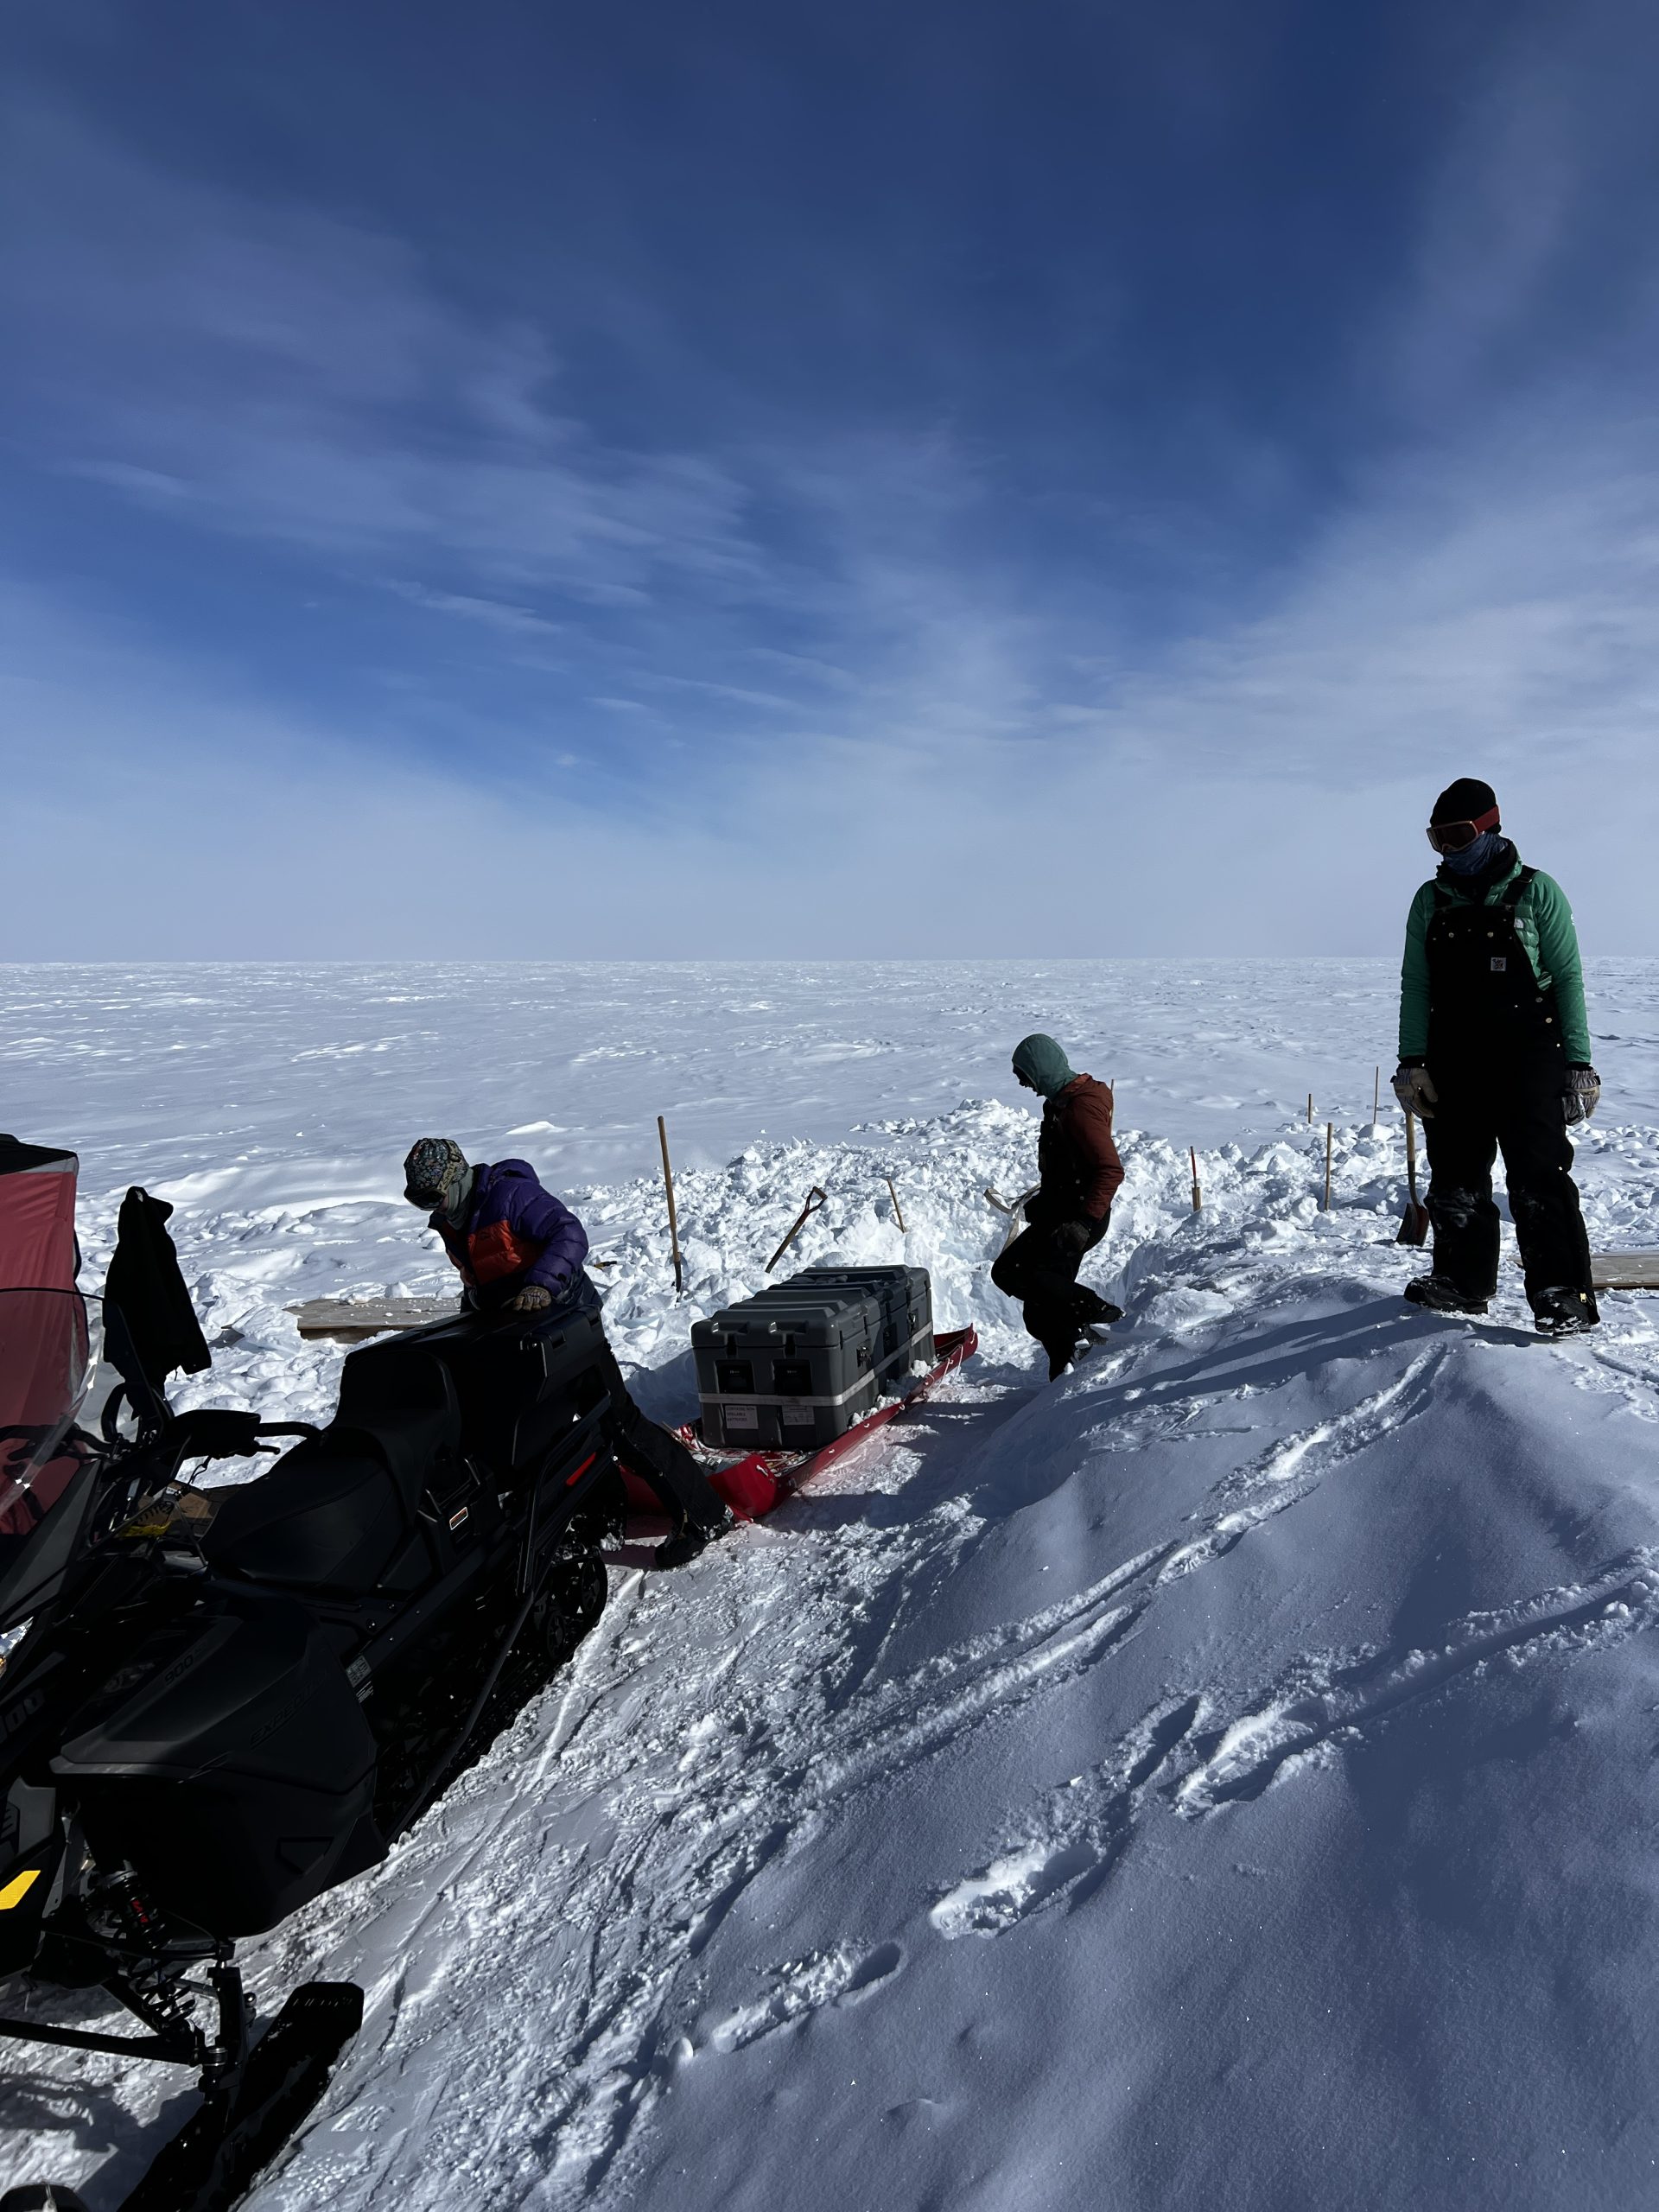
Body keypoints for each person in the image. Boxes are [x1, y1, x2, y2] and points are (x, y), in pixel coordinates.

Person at [402, 1138, 733, 1567]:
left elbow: (569, 1233)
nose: (432, 1207)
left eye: (432, 1196)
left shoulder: (510, 1196)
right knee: (549, 1432)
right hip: (525, 1340)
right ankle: (605, 1519)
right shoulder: (454, 1220)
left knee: (618, 1421)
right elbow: (481, 1278)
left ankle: (706, 1514)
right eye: (419, 1201)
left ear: (457, 1178)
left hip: (569, 1327)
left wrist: (543, 1283)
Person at [1391, 779, 1600, 1336]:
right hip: (1453, 1057)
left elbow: (1569, 978)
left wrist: (1578, 1064)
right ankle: (1462, 1282)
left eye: (1457, 836)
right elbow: (1417, 983)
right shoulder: (1430, 901)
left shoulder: (1536, 892)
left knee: (1539, 1179)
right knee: (1456, 1178)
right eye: (1437, 839)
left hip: (1530, 1056)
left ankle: (1562, 1293)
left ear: (1489, 827)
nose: (1447, 850)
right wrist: (1412, 1061)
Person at [992, 1035, 1125, 1379]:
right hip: (1062, 1213)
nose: (1026, 1085)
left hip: (1078, 1219)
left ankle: (1097, 1313)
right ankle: (1067, 1370)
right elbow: (1068, 1167)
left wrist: (1082, 1221)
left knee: (1010, 1272)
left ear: (1041, 1069)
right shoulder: (1062, 1103)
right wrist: (1045, 1202)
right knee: (1040, 1312)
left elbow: (1109, 1170)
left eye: (1026, 1075)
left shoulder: (1079, 1109)